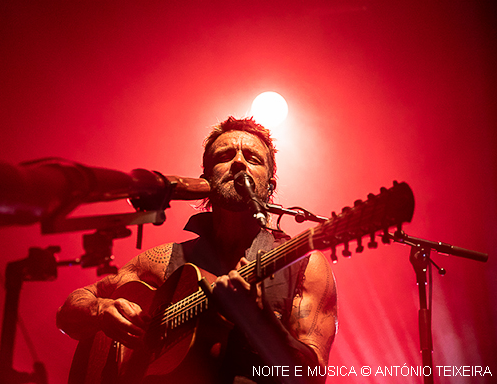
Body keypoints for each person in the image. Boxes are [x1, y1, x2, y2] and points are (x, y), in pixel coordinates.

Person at [57, 117, 338, 383]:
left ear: (269, 186)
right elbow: (68, 313)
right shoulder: (163, 260)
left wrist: (258, 320)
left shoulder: (304, 266)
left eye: (253, 159)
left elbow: (313, 376)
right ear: (205, 180)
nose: (238, 162)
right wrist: (101, 310)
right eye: (224, 157)